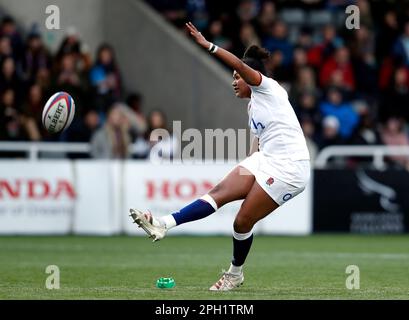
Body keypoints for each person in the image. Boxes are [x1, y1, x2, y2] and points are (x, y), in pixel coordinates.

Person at [129, 22, 310, 291]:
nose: (233, 82)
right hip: (266, 160)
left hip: (290, 168)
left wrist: (209, 46)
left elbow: (237, 62)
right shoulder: (253, 106)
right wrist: (249, 166)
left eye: (237, 77)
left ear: (250, 76)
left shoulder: (269, 88)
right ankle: (162, 224)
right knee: (218, 193)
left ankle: (235, 274)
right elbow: (258, 144)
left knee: (241, 221)